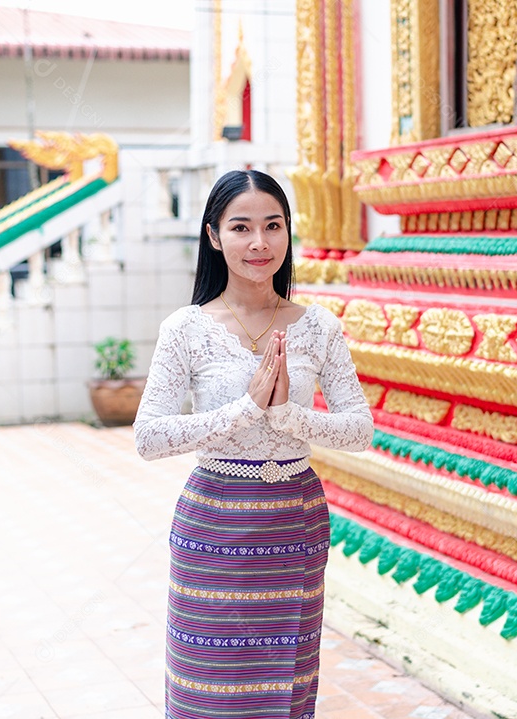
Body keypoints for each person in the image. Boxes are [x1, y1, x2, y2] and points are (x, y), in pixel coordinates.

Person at [134, 169, 373, 719]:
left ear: (289, 233)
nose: (259, 243)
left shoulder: (318, 327)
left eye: (273, 226)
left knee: (285, 686)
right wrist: (245, 410)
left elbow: (359, 429)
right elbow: (149, 437)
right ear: (215, 236)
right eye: (241, 227)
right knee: (208, 684)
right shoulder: (186, 329)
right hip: (214, 524)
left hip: (294, 522)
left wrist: (287, 416)